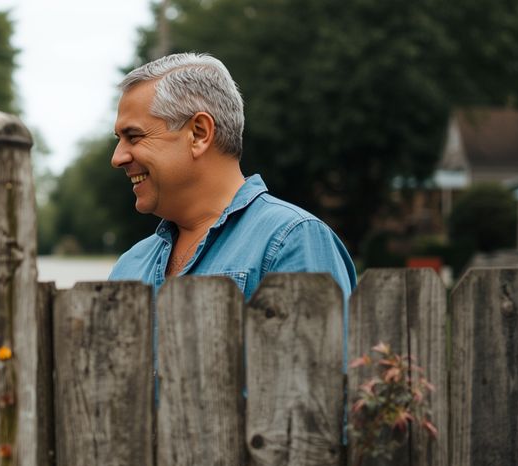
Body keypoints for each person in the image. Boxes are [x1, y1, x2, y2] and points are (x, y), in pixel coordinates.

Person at [108, 53, 356, 299]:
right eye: (120, 140)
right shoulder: (130, 265)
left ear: (199, 133)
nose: (117, 158)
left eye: (135, 136)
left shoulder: (292, 240)